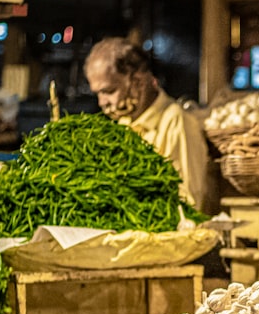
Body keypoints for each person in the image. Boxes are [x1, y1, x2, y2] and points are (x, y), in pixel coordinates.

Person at [84, 36, 216, 215]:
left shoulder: (176, 123)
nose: (102, 102)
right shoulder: (123, 125)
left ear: (138, 81)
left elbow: (189, 204)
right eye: (98, 94)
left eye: (108, 91)